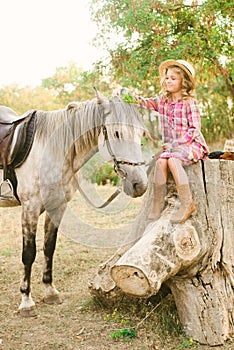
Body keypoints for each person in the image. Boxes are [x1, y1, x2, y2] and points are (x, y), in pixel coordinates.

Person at [134, 59, 210, 223]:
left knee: (173, 161)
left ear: (184, 82)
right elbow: (146, 102)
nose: (168, 81)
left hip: (191, 144)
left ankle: (187, 203)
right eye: (167, 77)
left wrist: (176, 144)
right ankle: (157, 204)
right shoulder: (162, 101)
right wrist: (129, 97)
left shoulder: (190, 102)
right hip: (171, 148)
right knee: (161, 161)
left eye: (173, 78)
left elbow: (194, 129)